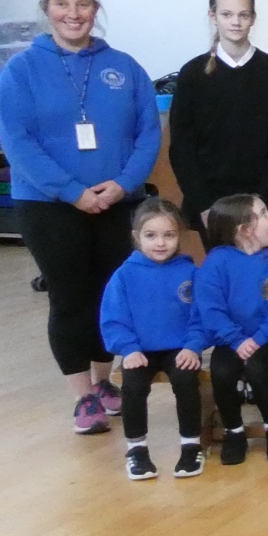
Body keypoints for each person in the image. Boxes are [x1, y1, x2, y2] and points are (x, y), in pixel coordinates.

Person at [0, 0, 162, 432]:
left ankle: (104, 381)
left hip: (118, 202)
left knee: (111, 293)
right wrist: (73, 192)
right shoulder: (21, 70)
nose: (74, 14)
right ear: (46, 9)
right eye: (63, 4)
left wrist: (123, 184)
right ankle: (83, 396)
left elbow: (148, 133)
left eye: (83, 4)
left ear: (95, 8)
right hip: (48, 205)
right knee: (70, 295)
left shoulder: (124, 67)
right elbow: (18, 142)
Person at [168, 0, 268, 245]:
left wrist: (266, 202)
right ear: (213, 16)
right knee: (221, 268)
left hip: (261, 203)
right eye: (227, 14)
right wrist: (203, 204)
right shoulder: (193, 73)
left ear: (253, 18)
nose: (235, 22)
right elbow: (182, 145)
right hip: (211, 204)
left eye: (243, 15)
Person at [98, 197, 209, 480]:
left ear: (179, 236)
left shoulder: (190, 272)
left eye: (168, 235)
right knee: (133, 387)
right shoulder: (124, 275)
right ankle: (136, 450)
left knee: (185, 381)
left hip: (180, 348)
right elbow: (113, 319)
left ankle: (191, 446)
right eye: (151, 235)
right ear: (137, 237)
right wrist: (128, 349)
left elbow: (202, 316)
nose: (160, 243)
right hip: (139, 351)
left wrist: (193, 346)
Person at [196, 192, 268, 465]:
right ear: (244, 230)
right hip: (232, 340)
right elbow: (210, 309)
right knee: (222, 371)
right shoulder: (216, 262)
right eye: (263, 213)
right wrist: (236, 340)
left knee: (258, 368)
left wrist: (260, 338)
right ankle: (233, 432)